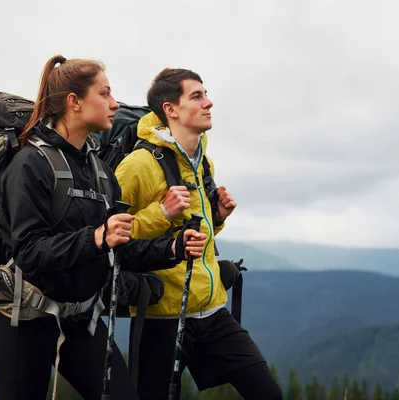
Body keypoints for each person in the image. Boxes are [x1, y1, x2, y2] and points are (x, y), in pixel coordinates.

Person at [0, 55, 207, 400]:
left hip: (82, 319)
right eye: (104, 93)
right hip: (24, 321)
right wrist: (96, 237)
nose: (115, 103)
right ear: (74, 102)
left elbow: (117, 248)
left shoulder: (100, 171)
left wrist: (172, 249)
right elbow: (29, 252)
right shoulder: (30, 164)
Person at [115, 68, 283, 400]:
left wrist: (217, 218)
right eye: (197, 96)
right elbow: (111, 237)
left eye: (205, 94)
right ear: (170, 109)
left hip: (212, 308)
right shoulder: (138, 166)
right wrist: (160, 213)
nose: (209, 102)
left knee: (268, 394)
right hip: (161, 315)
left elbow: (195, 230)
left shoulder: (202, 161)